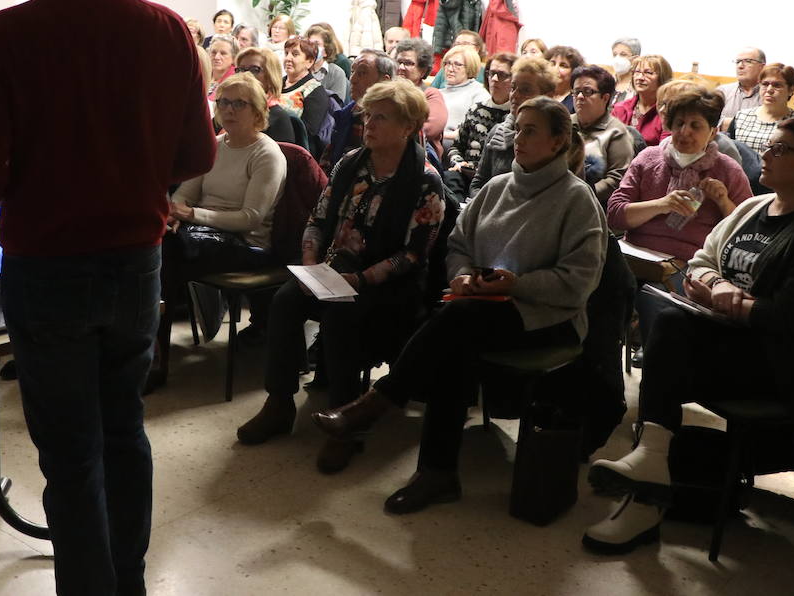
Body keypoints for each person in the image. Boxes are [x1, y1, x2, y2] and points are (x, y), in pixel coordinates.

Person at [0, 0, 216, 595]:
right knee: (124, 430)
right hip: (136, 264)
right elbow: (197, 154)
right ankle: (125, 583)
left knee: (70, 453)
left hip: (44, 269)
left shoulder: (5, 36)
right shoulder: (166, 29)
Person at [312, 98, 607, 513]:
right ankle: (435, 471)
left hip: (546, 317)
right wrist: (463, 277)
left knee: (456, 323)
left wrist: (516, 284)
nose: (516, 138)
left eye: (530, 131)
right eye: (517, 128)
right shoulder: (496, 188)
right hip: (478, 307)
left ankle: (382, 409)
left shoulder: (577, 201)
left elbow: (579, 283)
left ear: (558, 142)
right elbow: (458, 246)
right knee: (456, 337)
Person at [586, 119, 794, 555]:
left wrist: (734, 303)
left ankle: (649, 472)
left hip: (780, 363)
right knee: (663, 312)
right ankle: (650, 470)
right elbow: (700, 260)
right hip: (730, 342)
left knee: (669, 339)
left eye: (779, 151)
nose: (765, 156)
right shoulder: (755, 208)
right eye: (768, 148)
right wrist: (717, 286)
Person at [235, 79, 447, 475]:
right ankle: (279, 403)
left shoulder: (424, 180)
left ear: (407, 126)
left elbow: (414, 254)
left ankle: (345, 424)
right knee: (285, 301)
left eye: (381, 117)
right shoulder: (352, 162)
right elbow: (318, 218)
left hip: (390, 285)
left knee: (341, 313)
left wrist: (361, 280)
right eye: (368, 114)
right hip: (336, 270)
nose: (368, 123)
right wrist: (312, 260)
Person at [155, 73, 287, 380]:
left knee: (168, 250)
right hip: (205, 234)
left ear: (257, 111)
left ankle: (155, 358)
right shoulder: (215, 144)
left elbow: (250, 217)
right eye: (224, 102)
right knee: (159, 240)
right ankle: (148, 350)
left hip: (248, 244)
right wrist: (176, 214)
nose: (229, 109)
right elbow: (185, 194)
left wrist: (191, 215)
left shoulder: (266, 154)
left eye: (239, 103)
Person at [606, 83, 751, 261]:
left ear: (713, 133)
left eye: (695, 126)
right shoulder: (647, 158)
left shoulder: (728, 170)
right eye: (679, 123)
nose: (684, 132)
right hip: (634, 255)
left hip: (692, 262)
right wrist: (662, 205)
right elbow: (614, 216)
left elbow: (746, 233)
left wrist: (724, 202)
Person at [468, 56, 557, 196]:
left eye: (525, 90)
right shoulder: (497, 132)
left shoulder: (557, 139)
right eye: (513, 88)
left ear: (548, 96)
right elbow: (478, 182)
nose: (515, 95)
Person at [445, 52, 515, 197]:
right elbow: (456, 147)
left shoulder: (515, 115)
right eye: (491, 73)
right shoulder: (476, 109)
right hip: (466, 172)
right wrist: (458, 162)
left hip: (494, 178)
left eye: (502, 75)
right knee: (449, 179)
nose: (494, 79)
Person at [571, 65, 634, 204]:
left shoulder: (616, 132)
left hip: (594, 204)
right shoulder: (564, 123)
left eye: (587, 91)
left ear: (605, 98)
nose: (580, 97)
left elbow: (618, 178)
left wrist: (583, 195)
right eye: (576, 92)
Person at [323, 49, 395, 171]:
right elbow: (327, 163)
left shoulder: (400, 120)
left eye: (362, 73)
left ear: (384, 81)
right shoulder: (346, 115)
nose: (353, 79)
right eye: (352, 71)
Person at [235, 47, 308, 149]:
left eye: (254, 70)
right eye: (240, 69)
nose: (245, 75)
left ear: (270, 77)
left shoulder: (278, 118)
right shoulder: (227, 108)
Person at [728, 63, 794, 156]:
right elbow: (728, 152)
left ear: (791, 90)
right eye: (765, 84)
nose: (769, 90)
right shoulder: (741, 117)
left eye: (777, 85)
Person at [280, 36, 334, 155]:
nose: (288, 58)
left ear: (309, 61)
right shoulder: (275, 84)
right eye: (286, 53)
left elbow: (307, 132)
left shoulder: (315, 91)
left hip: (293, 152)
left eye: (295, 54)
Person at [394, 38, 448, 154]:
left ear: (422, 70)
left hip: (420, 159)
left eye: (408, 63)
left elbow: (429, 129)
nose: (401, 67)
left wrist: (391, 133)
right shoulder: (387, 92)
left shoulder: (431, 95)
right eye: (399, 62)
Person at [611, 54, 673, 147]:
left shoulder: (668, 112)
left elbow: (664, 151)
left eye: (648, 73)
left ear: (662, 78)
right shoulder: (620, 108)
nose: (640, 78)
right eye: (637, 72)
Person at [437, 44, 490, 143]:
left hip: (457, 147)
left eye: (457, 65)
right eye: (447, 63)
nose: (450, 69)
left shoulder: (479, 93)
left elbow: (475, 131)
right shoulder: (438, 93)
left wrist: (440, 135)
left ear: (470, 67)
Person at [718, 47, 765, 132]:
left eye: (748, 61)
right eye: (738, 62)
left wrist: (731, 123)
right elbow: (708, 120)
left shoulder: (768, 95)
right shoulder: (723, 92)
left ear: (762, 67)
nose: (740, 66)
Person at [303, 24, 350, 100]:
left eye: (317, 44)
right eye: (309, 44)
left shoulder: (336, 73)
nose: (312, 48)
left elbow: (336, 106)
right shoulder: (300, 69)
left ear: (326, 51)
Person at [547, 44, 586, 111]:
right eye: (552, 64)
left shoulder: (576, 100)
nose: (555, 69)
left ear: (574, 71)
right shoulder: (539, 94)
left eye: (563, 65)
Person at [610, 38, 641, 104]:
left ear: (635, 59)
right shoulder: (607, 82)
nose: (617, 59)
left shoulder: (639, 86)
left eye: (623, 55)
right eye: (615, 55)